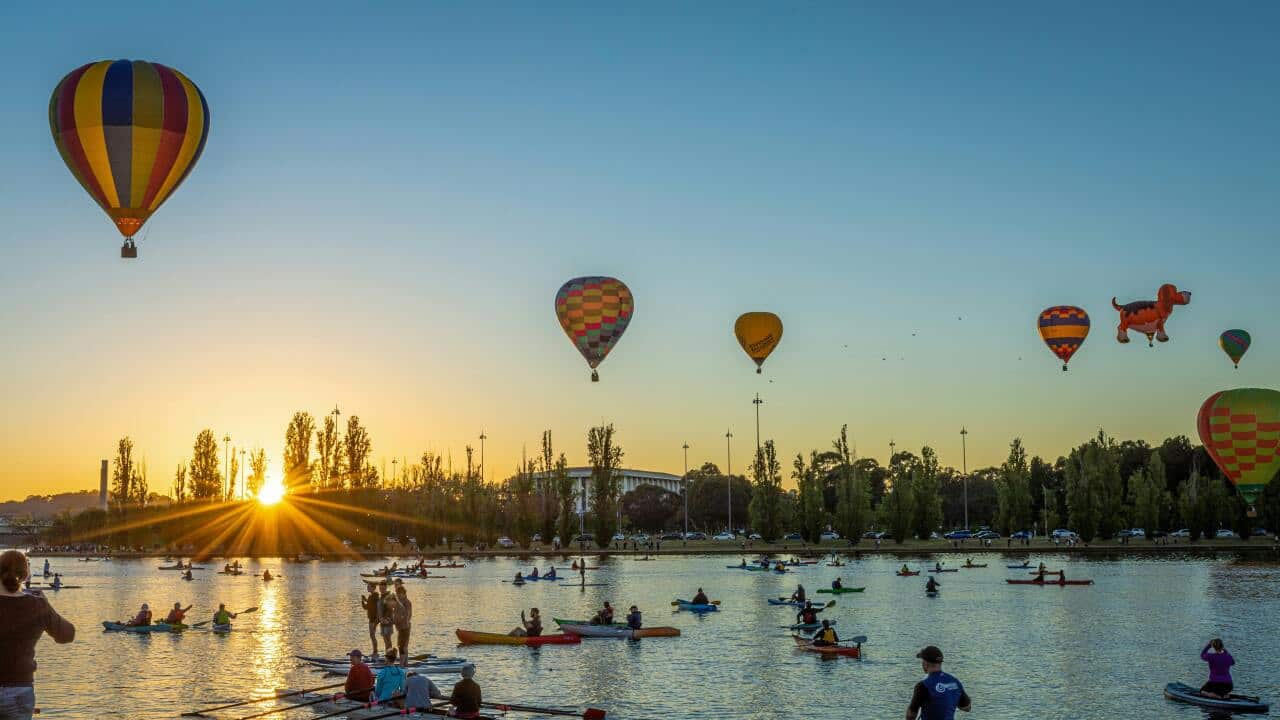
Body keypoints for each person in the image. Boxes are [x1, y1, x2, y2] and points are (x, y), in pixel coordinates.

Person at [0, 550, 76, 720]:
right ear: (26, 575)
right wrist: (47, 605)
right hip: (19, 689)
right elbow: (67, 635)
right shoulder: (37, 605)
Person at [906, 646, 970, 719]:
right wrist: (950, 699)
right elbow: (967, 708)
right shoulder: (955, 682)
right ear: (940, 663)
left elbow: (911, 715)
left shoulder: (923, 686)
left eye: (922, 661)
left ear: (926, 663)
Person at [393, 583, 413, 666]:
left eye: (400, 594)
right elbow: (395, 614)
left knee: (403, 646)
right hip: (400, 627)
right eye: (398, 594)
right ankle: (406, 663)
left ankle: (402, 665)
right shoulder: (398, 602)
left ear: (404, 594)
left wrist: (400, 621)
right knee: (402, 646)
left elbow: (407, 615)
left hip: (405, 626)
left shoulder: (407, 602)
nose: (399, 595)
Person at [360, 588, 382, 657]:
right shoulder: (372, 597)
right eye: (367, 587)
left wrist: (376, 620)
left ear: (373, 588)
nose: (367, 588)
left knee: (372, 635)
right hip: (372, 619)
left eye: (369, 587)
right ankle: (375, 651)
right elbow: (367, 607)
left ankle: (375, 652)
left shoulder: (374, 597)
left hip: (374, 619)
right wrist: (363, 601)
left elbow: (371, 607)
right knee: (372, 635)